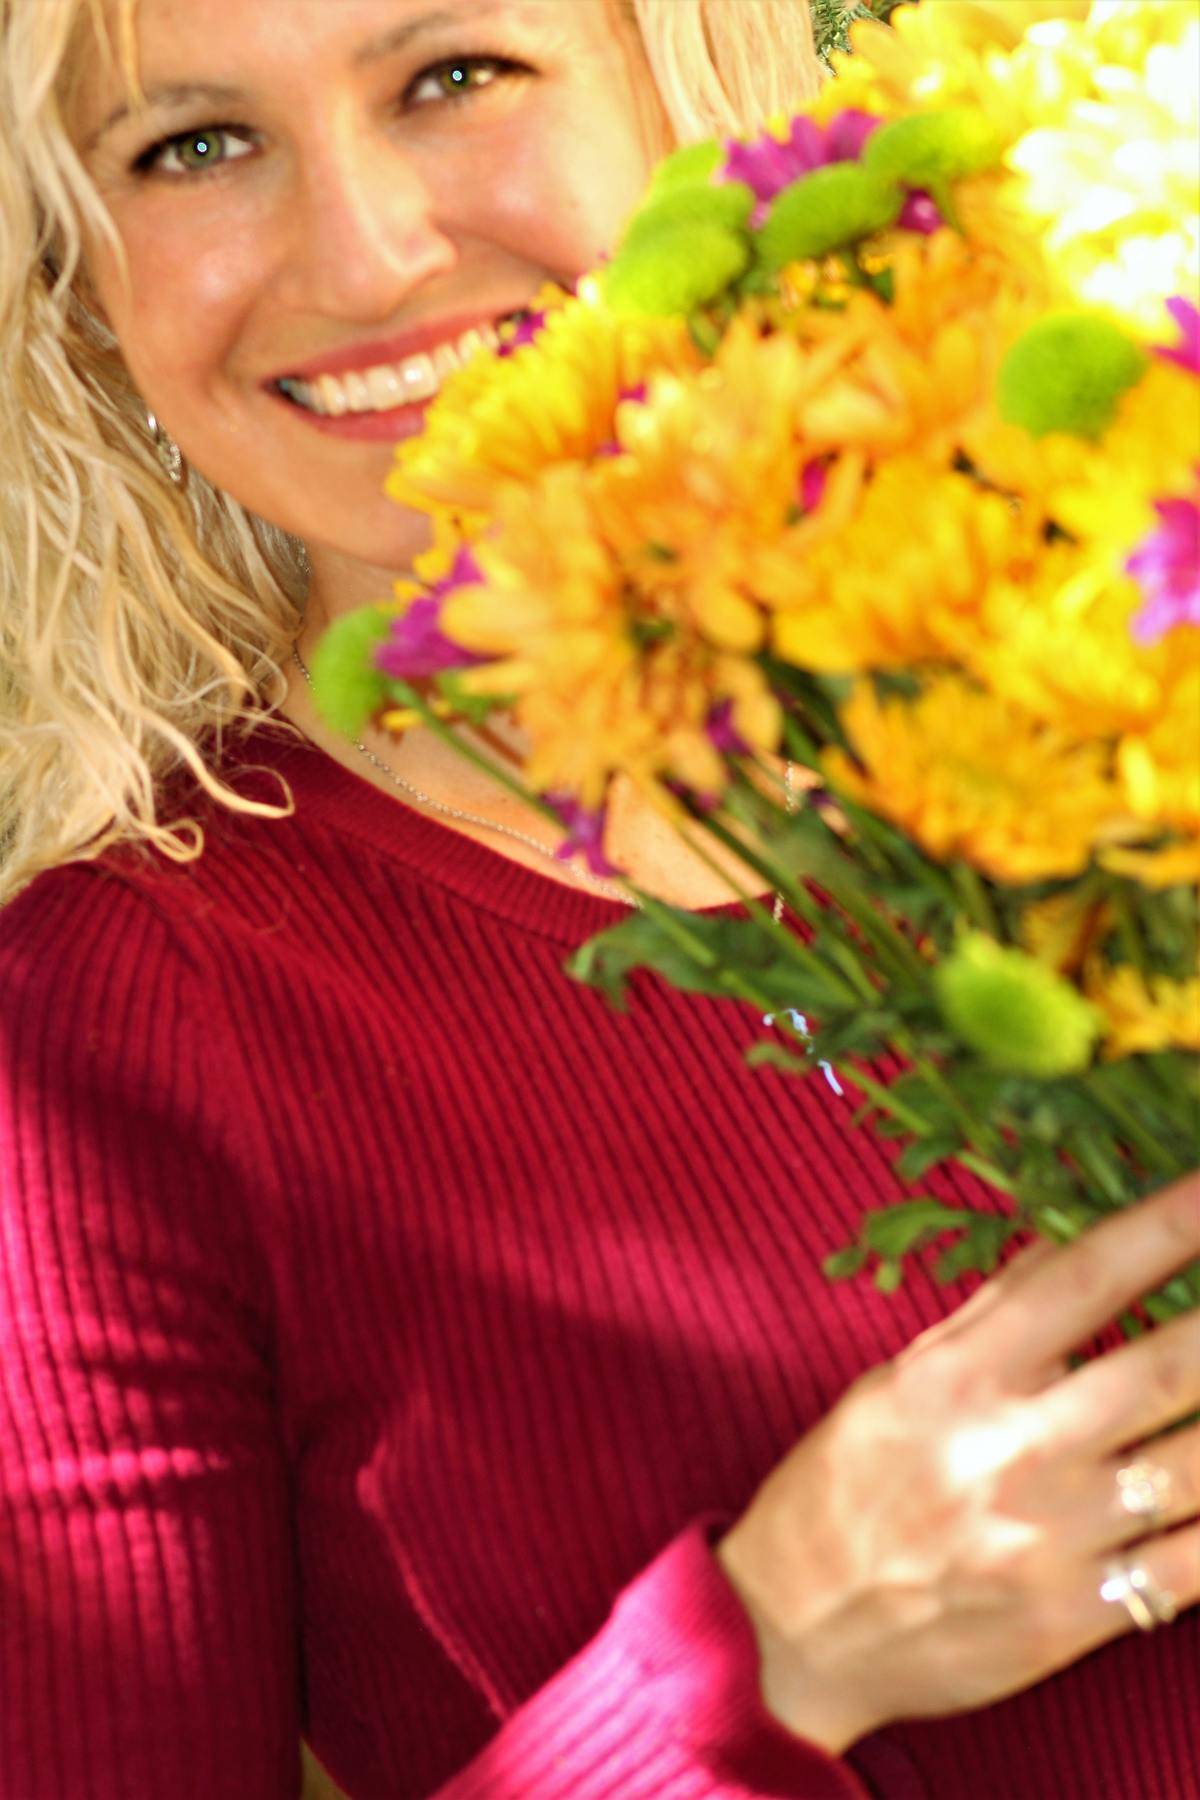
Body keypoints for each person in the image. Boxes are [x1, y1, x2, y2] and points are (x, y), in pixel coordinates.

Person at [0, 1, 1196, 1797]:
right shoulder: (111, 1030)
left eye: (454, 77)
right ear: (79, 285)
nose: (371, 246)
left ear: (686, 84)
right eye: (190, 146)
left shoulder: (1113, 627)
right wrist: (775, 1660)